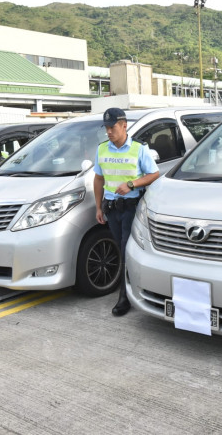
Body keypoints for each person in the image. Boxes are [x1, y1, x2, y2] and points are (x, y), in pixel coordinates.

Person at [94, 108, 159, 316]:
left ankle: (124, 297)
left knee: (125, 249)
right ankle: (128, 287)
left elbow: (154, 174)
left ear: (124, 126)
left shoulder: (139, 149)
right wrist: (98, 206)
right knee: (121, 248)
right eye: (106, 128)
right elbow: (98, 178)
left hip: (131, 207)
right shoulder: (102, 149)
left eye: (112, 127)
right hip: (111, 208)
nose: (109, 132)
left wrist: (132, 184)